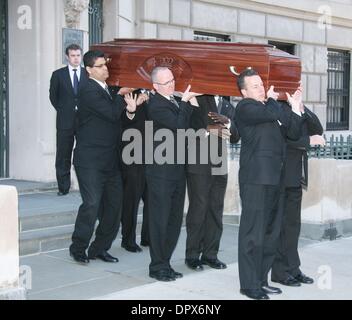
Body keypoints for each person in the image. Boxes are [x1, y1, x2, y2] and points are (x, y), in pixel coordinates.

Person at [235, 68, 302, 300]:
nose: (261, 87)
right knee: (253, 233)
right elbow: (268, 114)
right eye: (254, 85)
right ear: (244, 91)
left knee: (269, 234)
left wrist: (294, 107)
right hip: (255, 179)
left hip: (276, 179)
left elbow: (293, 131)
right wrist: (273, 101)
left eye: (261, 83)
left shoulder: (269, 108)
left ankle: (261, 280)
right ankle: (249, 284)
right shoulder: (245, 107)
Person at [69, 50, 139, 264]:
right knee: (91, 204)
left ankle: (99, 248)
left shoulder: (109, 89)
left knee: (114, 208)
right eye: (100, 66)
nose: (105, 69)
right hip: (89, 160)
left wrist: (131, 109)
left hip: (110, 160)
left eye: (105, 65)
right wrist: (120, 96)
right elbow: (110, 113)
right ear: (89, 69)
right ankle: (78, 248)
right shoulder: (87, 89)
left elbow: (116, 121)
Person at [146, 66, 200, 282]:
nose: (171, 84)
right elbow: (178, 128)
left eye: (172, 80)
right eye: (166, 83)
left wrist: (191, 105)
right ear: (155, 86)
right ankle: (157, 266)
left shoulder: (173, 101)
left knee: (174, 220)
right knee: (160, 220)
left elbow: (189, 129)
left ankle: (165, 263)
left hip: (177, 170)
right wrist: (186, 103)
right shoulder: (156, 104)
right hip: (161, 172)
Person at [271, 90, 325, 286]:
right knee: (281, 227)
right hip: (281, 175)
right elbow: (284, 139)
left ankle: (293, 268)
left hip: (296, 176)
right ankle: (279, 271)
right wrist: (308, 142)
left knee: (293, 227)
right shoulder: (275, 107)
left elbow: (317, 128)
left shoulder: (297, 106)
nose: (298, 88)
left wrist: (303, 109)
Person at [185, 95, 240, 271]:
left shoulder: (227, 105)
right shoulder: (198, 100)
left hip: (219, 166)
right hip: (198, 164)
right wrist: (210, 129)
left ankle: (211, 255)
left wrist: (229, 124)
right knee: (198, 210)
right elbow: (188, 129)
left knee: (216, 210)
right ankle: (192, 255)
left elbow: (235, 137)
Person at [49, 44, 88, 196]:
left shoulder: (88, 74)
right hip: (65, 121)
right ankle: (63, 187)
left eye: (78, 55)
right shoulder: (58, 75)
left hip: (85, 121)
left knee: (85, 153)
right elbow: (53, 97)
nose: (76, 58)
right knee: (63, 154)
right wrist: (64, 109)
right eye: (73, 55)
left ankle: (85, 184)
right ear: (67, 57)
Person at [120, 90, 150, 253]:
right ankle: (128, 239)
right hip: (132, 158)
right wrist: (133, 108)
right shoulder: (129, 92)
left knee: (152, 200)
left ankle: (148, 237)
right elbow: (121, 121)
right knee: (131, 202)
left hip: (153, 158)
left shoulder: (160, 96)